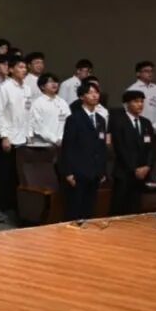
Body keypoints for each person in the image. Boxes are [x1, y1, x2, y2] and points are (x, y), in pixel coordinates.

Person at [59, 81, 108, 224]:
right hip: (78, 172)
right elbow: (68, 147)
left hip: (95, 172)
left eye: (96, 92)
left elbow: (102, 147)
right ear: (82, 96)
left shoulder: (101, 119)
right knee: (75, 211)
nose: (95, 95)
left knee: (89, 209)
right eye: (90, 92)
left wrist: (102, 170)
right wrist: (68, 172)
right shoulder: (74, 118)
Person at [0, 57, 30, 222]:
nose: (24, 70)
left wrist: (29, 135)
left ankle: (12, 208)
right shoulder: (5, 88)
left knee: (16, 176)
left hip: (22, 138)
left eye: (25, 67)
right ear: (12, 69)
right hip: (7, 138)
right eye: (20, 67)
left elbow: (27, 113)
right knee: (2, 175)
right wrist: (4, 136)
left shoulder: (27, 88)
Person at [110, 90, 155, 216]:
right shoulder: (118, 122)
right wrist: (134, 169)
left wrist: (147, 166)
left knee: (136, 210)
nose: (140, 104)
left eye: (141, 101)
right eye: (136, 101)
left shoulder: (146, 123)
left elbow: (152, 148)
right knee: (119, 210)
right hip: (124, 173)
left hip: (142, 174)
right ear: (127, 104)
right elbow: (120, 148)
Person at [29, 73, 70, 148]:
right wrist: (55, 140)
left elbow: (69, 121)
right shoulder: (37, 103)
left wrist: (62, 138)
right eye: (50, 81)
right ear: (42, 86)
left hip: (63, 143)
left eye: (55, 81)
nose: (54, 84)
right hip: (44, 145)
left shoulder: (63, 102)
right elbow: (38, 126)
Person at [127, 61, 156, 130]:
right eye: (146, 71)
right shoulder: (131, 90)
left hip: (154, 127)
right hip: (136, 127)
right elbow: (128, 110)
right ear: (138, 73)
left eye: (152, 71)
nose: (150, 73)